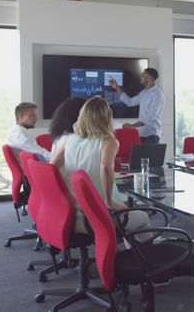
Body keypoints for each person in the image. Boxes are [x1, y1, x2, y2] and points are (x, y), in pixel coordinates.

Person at [50, 97, 151, 241]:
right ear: (107, 117)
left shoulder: (69, 140)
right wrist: (109, 202)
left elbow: (50, 169)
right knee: (143, 217)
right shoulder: (108, 141)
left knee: (125, 213)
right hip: (95, 217)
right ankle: (148, 258)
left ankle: (132, 254)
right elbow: (105, 168)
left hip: (70, 214)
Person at [109, 68, 164, 144]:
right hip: (141, 133)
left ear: (148, 77)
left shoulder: (158, 95)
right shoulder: (144, 93)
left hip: (152, 135)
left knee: (148, 156)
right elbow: (130, 102)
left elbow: (150, 118)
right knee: (138, 155)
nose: (140, 77)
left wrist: (132, 126)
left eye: (142, 75)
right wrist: (116, 87)